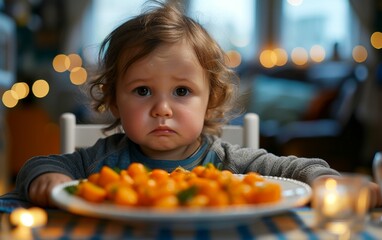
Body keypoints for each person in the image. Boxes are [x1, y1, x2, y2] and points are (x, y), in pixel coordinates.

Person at [2, 0, 381, 208]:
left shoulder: (231, 163)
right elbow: (41, 164)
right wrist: (47, 179)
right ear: (114, 102)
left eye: (181, 92)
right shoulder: (99, 161)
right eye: (142, 91)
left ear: (210, 101)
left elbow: (296, 169)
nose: (162, 108)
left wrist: (324, 180)